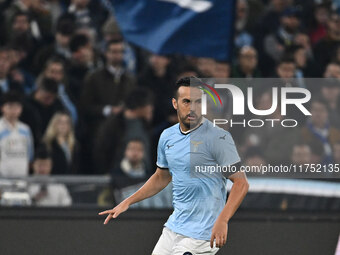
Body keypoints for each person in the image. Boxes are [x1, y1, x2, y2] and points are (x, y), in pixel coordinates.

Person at [99, 77, 249, 254]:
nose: (192, 107)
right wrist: (128, 201)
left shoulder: (218, 138)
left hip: (202, 234)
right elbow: (161, 177)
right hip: (174, 227)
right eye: (186, 101)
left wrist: (223, 220)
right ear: (175, 103)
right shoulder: (167, 137)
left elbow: (241, 183)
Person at [0, 92, 33, 177]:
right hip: (3, 178)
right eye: (10, 107)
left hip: (22, 176)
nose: (14, 110)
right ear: (2, 108)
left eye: (17, 107)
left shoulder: (26, 129)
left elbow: (29, 155)